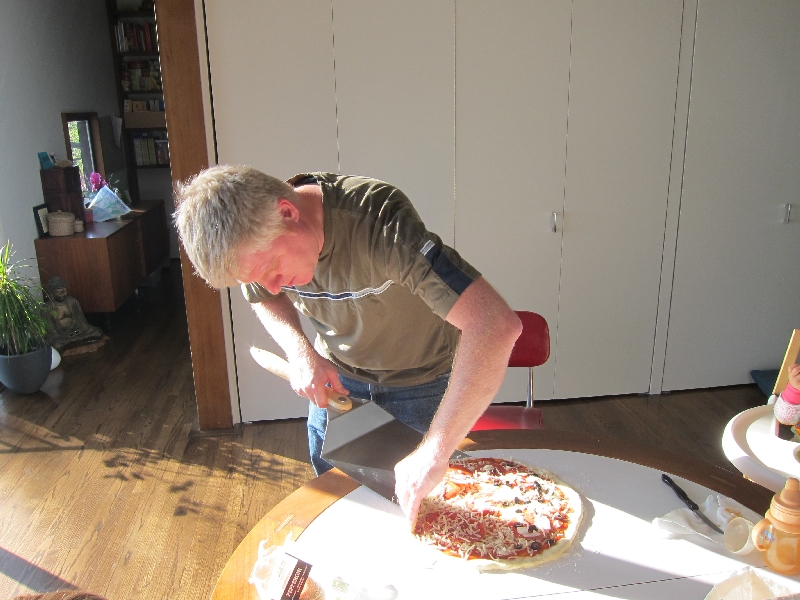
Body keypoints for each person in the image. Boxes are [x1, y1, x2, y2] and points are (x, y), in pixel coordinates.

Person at [174, 166, 521, 527]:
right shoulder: (258, 241)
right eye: (258, 278)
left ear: (288, 213)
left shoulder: (379, 222)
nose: (274, 286)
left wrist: (434, 451)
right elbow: (265, 297)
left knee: (438, 519)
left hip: (422, 384)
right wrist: (300, 352)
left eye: (272, 268)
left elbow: (494, 325)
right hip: (338, 387)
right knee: (346, 516)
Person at [44, 276, 104, 352]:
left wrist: (78, 331)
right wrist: (64, 335)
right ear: (52, 293)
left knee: (97, 332)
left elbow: (81, 321)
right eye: (60, 292)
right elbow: (51, 330)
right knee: (57, 345)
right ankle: (77, 342)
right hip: (62, 336)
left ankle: (73, 342)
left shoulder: (72, 301)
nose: (63, 294)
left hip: (76, 331)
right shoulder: (48, 308)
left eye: (65, 291)